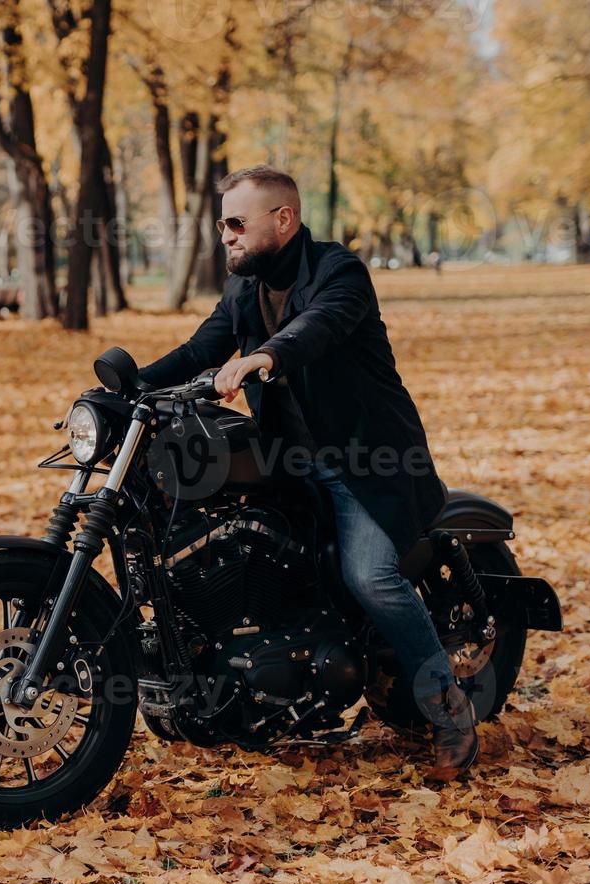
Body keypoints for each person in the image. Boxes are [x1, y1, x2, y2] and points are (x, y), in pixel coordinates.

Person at [138, 165, 476, 781]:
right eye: (222, 224)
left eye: (237, 223)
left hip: (362, 464)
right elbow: (197, 351)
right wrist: (125, 389)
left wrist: (265, 355)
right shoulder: (244, 288)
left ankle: (446, 705)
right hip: (283, 464)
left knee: (371, 578)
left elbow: (316, 328)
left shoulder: (339, 272)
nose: (226, 236)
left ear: (283, 219)